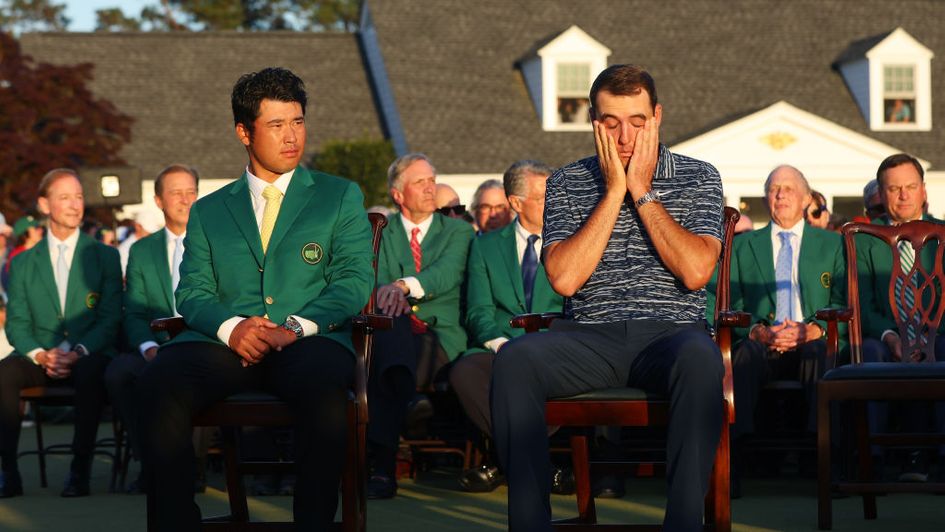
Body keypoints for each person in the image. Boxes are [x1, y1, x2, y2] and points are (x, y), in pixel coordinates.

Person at [135, 67, 375, 530]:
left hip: (308, 340)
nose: (292, 137)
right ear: (244, 132)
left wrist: (297, 326)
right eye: (277, 125)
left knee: (325, 394)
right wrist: (233, 328)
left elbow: (351, 281)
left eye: (298, 122)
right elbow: (193, 291)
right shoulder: (208, 210)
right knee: (157, 382)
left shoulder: (338, 196)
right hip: (225, 344)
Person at [491, 64, 724, 531]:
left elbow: (697, 272)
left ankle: (683, 524)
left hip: (671, 335)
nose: (624, 135)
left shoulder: (698, 177)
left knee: (702, 357)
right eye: (610, 122)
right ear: (594, 123)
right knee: (514, 360)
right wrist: (614, 189)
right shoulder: (568, 181)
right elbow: (565, 280)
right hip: (587, 337)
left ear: (657, 116)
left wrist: (640, 189)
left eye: (637, 120)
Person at [0, 168, 122, 498]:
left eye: (79, 196)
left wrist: (78, 350)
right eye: (64, 197)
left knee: (92, 370)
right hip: (40, 357)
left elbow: (110, 319)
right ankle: (7, 471)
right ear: (44, 204)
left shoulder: (106, 256)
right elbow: (17, 323)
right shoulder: (23, 262)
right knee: (4, 373)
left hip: (87, 355)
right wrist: (41, 354)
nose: (74, 205)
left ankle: (78, 470)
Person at [727, 165, 845, 494]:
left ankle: (824, 456)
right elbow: (731, 302)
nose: (780, 194)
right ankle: (736, 459)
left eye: (789, 188)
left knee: (822, 355)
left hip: (812, 340)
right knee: (742, 357)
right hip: (762, 340)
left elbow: (843, 300)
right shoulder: (742, 245)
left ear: (807, 198)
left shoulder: (831, 245)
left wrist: (815, 330)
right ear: (765, 198)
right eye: (774, 188)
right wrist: (756, 332)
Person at [449, 160, 564, 493]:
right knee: (465, 373)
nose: (554, 203)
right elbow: (478, 310)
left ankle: (505, 462)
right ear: (516, 203)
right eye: (545, 197)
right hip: (501, 345)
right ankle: (537, 462)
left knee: (571, 375)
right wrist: (500, 344)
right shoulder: (486, 245)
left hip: (553, 346)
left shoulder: (571, 241)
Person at [368, 153, 474, 498]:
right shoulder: (381, 231)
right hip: (395, 334)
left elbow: (447, 272)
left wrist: (403, 287)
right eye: (420, 182)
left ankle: (382, 469)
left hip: (440, 336)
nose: (431, 188)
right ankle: (409, 399)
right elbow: (376, 280)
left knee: (386, 366)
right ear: (398, 195)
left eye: (432, 179)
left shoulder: (457, 230)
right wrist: (391, 293)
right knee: (393, 337)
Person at [104, 164, 199, 494]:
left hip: (204, 344)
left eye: (190, 191)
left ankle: (194, 465)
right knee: (120, 373)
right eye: (176, 192)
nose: (185, 199)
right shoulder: (142, 250)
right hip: (156, 345)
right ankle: (151, 464)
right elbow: (134, 311)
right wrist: (147, 347)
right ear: (159, 200)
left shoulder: (217, 244)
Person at [857, 153, 944, 482]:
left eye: (910, 186)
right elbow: (861, 304)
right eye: (894, 189)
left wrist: (927, 337)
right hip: (885, 337)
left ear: (923, 190)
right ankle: (872, 460)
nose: (904, 195)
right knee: (869, 353)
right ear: (881, 193)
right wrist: (891, 336)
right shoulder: (863, 240)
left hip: (940, 334)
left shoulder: (944, 236)